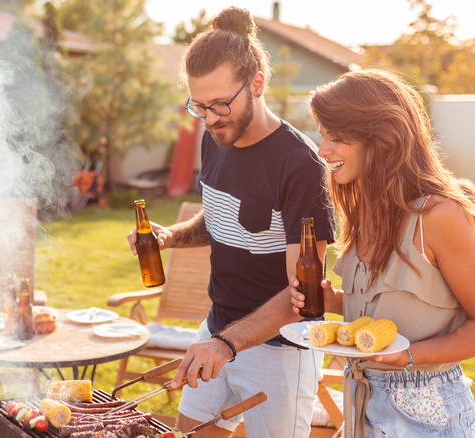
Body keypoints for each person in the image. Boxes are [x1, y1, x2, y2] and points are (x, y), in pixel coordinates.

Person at [127, 7, 335, 437]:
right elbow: (220, 215)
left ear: (258, 84)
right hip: (216, 328)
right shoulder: (215, 137)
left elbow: (301, 293)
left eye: (221, 103)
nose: (210, 118)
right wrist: (170, 236)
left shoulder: (300, 167)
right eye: (198, 106)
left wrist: (228, 343)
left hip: (281, 349)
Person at [292, 69, 475, 437]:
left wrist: (408, 357)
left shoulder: (440, 216)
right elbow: (394, 313)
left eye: (336, 137)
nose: (322, 149)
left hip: (427, 412)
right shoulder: (367, 210)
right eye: (322, 135)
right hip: (362, 399)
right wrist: (334, 301)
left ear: (381, 137)